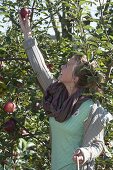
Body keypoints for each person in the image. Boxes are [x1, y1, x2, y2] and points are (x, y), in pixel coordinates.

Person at [19, 13, 113, 170]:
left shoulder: (92, 109)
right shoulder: (56, 93)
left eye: (67, 65)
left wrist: (85, 153)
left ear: (76, 78)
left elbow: (98, 144)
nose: (62, 66)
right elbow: (40, 67)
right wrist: (27, 33)